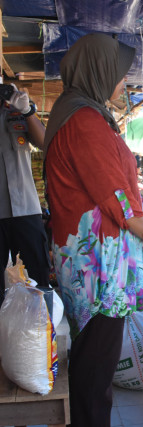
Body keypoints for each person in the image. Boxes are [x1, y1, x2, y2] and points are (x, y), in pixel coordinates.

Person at [43, 33, 143, 427]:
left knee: (95, 360)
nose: (123, 84)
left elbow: (119, 189)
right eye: (120, 75)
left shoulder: (86, 115)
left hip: (99, 260)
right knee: (96, 367)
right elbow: (113, 194)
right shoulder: (83, 121)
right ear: (99, 71)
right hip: (96, 268)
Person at [0, 84, 49, 305]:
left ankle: (43, 334)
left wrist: (28, 111)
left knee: (38, 279)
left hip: (27, 209)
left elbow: (45, 142)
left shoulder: (17, 112)